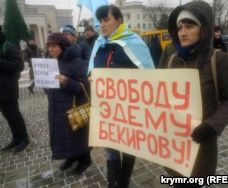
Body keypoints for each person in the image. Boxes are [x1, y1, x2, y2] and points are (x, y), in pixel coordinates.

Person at [164, 1, 228, 187]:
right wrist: (107, 85)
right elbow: (157, 92)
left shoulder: (218, 59)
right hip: (175, 146)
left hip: (202, 144)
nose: (182, 32)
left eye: (189, 26)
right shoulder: (173, 59)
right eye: (180, 27)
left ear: (203, 28)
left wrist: (211, 127)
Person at [88, 5, 154, 188]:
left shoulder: (134, 43)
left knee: (129, 146)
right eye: (100, 21)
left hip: (130, 110)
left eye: (106, 20)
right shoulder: (100, 44)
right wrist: (92, 78)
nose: (102, 25)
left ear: (119, 21)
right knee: (110, 147)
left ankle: (123, 182)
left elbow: (149, 76)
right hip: (108, 109)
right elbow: (92, 71)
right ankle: (113, 184)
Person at [46, 32, 91, 175]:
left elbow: (83, 87)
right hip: (56, 107)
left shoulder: (77, 62)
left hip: (72, 107)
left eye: (54, 46)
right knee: (63, 135)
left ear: (63, 46)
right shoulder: (50, 62)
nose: (51, 50)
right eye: (49, 46)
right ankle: (70, 157)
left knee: (76, 135)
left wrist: (66, 81)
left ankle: (85, 160)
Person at [0, 25, 30, 153]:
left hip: (8, 87)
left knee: (14, 114)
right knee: (6, 115)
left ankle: (24, 138)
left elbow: (19, 65)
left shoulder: (8, 46)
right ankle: (15, 138)